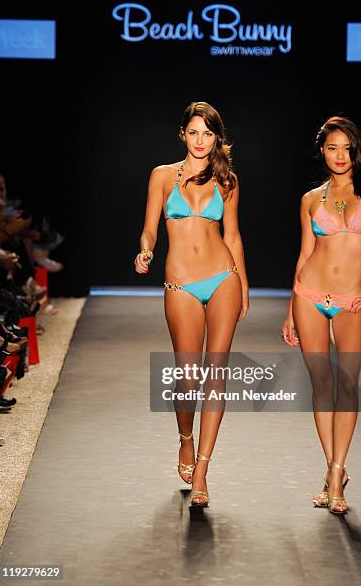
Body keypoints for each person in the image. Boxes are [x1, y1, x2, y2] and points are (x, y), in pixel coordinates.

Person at [134, 101, 249, 507]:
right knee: (187, 376)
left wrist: (244, 286)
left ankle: (202, 469)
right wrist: (144, 251)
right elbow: (149, 228)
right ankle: (186, 439)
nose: (201, 141)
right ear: (182, 133)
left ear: (217, 138)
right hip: (181, 282)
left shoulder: (227, 180)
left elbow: (232, 237)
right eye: (194, 132)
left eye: (209, 133)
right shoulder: (162, 176)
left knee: (216, 376)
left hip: (224, 279)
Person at [282, 116, 361, 514]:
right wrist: (290, 313)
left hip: (351, 300)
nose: (340, 155)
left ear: (356, 148)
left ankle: (336, 470)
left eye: (347, 147)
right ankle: (333, 472)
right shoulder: (311, 199)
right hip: (309, 295)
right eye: (332, 147)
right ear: (322, 151)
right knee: (321, 384)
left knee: (347, 387)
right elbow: (304, 255)